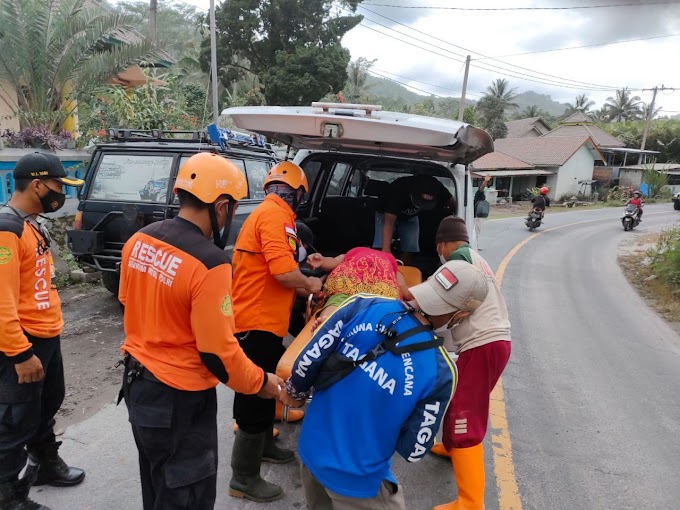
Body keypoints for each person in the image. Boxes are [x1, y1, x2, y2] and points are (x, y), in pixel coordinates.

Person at [118, 152, 283, 510]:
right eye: (234, 208)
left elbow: (127, 301)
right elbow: (218, 353)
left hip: (138, 388)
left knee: (158, 486)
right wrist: (261, 382)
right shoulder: (210, 262)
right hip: (180, 400)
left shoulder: (139, 240)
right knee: (186, 496)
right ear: (221, 206)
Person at [281, 260, 489, 510]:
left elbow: (309, 359)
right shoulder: (441, 370)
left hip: (311, 450)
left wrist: (295, 392)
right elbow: (414, 449)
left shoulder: (364, 303)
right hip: (360, 481)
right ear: (462, 314)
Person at [230, 161, 323, 502]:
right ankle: (244, 478)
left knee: (265, 386)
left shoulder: (270, 213)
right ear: (298, 194)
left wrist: (308, 279)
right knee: (254, 394)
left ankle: (265, 446)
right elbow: (284, 273)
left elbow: (278, 270)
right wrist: (312, 284)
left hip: (263, 318)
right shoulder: (275, 216)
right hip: (256, 321)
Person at [0, 152, 85, 510]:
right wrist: (20, 354)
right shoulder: (8, 229)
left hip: (47, 335)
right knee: (14, 422)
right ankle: (8, 497)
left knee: (45, 405)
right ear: (37, 185)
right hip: (24, 342)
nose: (60, 194)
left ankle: (46, 463)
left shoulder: (31, 222)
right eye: (57, 186)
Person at [430, 216, 512, 510]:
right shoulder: (476, 258)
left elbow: (437, 302)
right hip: (493, 343)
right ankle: (453, 448)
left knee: (467, 413)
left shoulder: (458, 260)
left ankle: (470, 502)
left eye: (439, 248)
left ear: (442, 245)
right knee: (460, 397)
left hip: (483, 344)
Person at [306, 246, 415, 325]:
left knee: (338, 300)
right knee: (381, 313)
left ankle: (327, 322)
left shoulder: (351, 253)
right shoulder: (393, 267)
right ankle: (328, 322)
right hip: (380, 293)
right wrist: (322, 260)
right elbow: (404, 289)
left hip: (348, 285)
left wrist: (322, 261)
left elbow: (333, 262)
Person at [374, 174, 457, 265]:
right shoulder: (398, 190)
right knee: (381, 246)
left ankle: (404, 269)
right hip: (386, 214)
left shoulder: (437, 188)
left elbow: (454, 204)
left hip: (410, 217)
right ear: (412, 193)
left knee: (411, 246)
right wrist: (386, 250)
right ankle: (379, 270)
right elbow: (389, 223)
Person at [473, 175, 492, 249]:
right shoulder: (479, 193)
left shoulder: (482, 194)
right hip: (477, 216)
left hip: (479, 215)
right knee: (476, 232)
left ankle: (475, 244)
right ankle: (475, 245)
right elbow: (482, 187)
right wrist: (486, 181)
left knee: (477, 231)